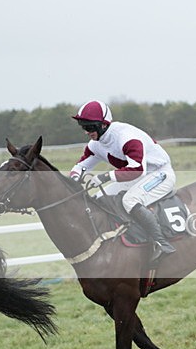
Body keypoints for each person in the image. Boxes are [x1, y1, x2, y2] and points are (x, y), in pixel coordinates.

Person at [69, 100, 176, 263]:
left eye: (89, 127)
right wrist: (75, 179)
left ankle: (161, 243)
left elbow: (138, 169)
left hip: (160, 173)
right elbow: (81, 166)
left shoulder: (126, 138)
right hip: (137, 176)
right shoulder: (95, 144)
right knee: (97, 199)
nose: (86, 132)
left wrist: (105, 177)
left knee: (130, 200)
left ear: (103, 125)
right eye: (83, 127)